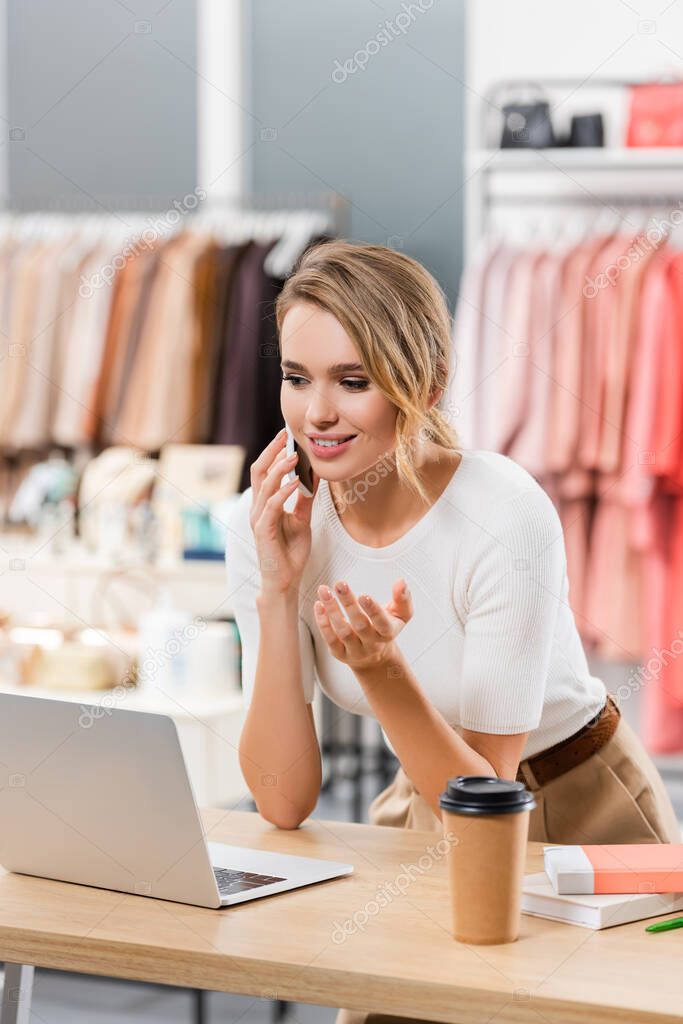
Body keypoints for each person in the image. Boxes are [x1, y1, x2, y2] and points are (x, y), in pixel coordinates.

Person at [225, 239, 680, 1024]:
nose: (316, 413)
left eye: (352, 381)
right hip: (426, 791)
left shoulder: (502, 511)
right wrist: (276, 592)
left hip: (578, 800)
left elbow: (489, 796)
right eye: (297, 379)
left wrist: (382, 673)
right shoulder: (266, 524)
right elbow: (282, 799)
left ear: (423, 384)